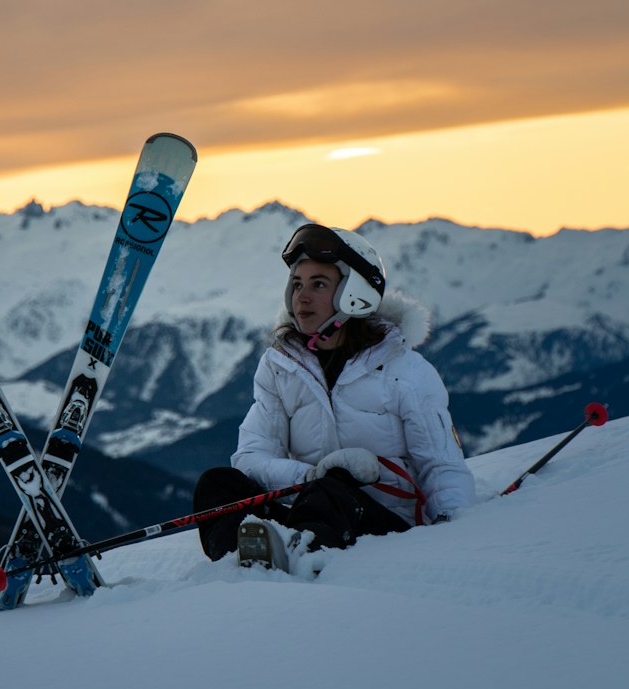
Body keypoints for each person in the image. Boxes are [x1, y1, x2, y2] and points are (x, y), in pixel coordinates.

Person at [194, 222, 475, 570]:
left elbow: (442, 466)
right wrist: (309, 477)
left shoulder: (405, 371)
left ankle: (290, 557)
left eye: (318, 284)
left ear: (353, 295)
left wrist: (453, 527)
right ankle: (241, 560)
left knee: (332, 490)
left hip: (385, 528)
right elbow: (252, 456)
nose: (302, 296)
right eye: (297, 284)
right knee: (218, 485)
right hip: (308, 514)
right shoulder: (280, 367)